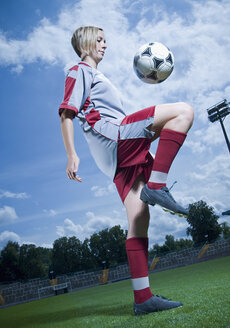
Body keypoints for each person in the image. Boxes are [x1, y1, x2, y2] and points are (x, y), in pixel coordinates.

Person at [59, 26, 194, 316]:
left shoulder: (98, 76)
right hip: (115, 138)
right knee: (183, 111)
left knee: (139, 220)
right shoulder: (80, 71)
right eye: (99, 40)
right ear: (84, 43)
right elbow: (67, 114)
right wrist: (72, 154)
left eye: (105, 40)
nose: (105, 45)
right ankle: (157, 186)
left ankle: (143, 299)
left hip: (116, 161)